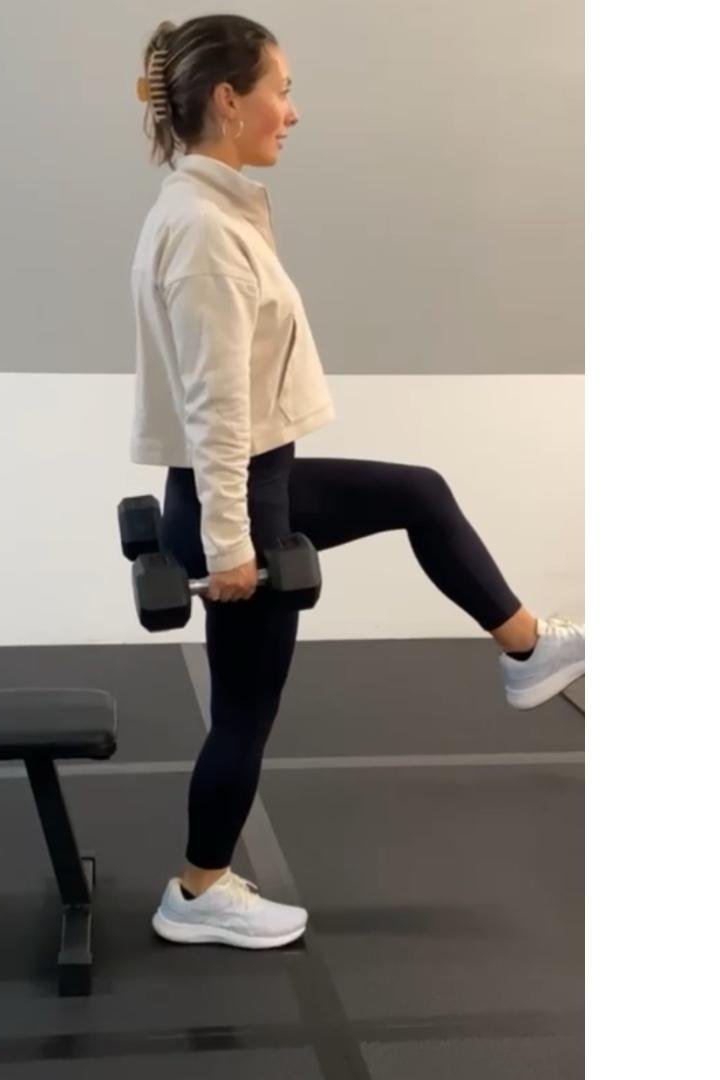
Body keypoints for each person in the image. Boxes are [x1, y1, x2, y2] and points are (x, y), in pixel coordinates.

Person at [130, 15, 584, 950]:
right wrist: (231, 548)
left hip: (258, 481)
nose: (293, 112)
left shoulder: (214, 209)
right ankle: (198, 889)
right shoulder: (205, 231)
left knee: (417, 491)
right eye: (282, 90)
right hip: (238, 499)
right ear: (229, 100)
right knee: (244, 715)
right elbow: (216, 407)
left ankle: (527, 648)